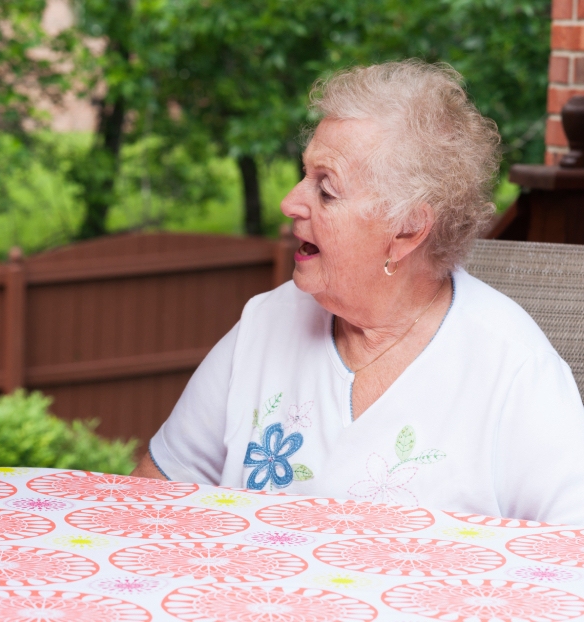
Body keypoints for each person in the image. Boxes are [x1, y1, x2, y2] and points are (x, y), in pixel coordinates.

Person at [132, 60, 584, 525]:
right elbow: (156, 492)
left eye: (325, 190)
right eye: (304, 174)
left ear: (408, 230)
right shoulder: (265, 324)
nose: (290, 202)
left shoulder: (513, 370)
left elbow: (571, 557)